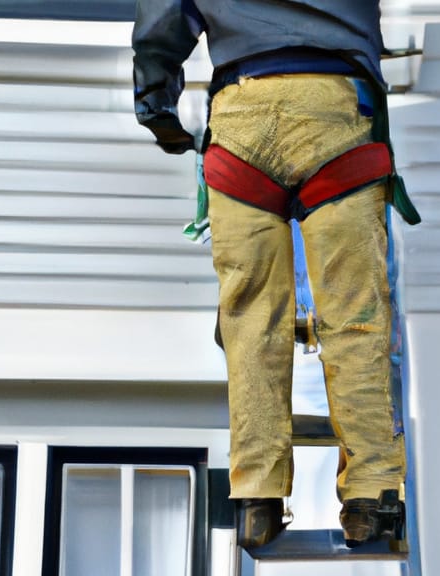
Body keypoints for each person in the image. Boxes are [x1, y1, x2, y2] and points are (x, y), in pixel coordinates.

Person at [133, 0, 416, 549]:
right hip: (336, 108)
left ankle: (257, 499)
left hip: (242, 118)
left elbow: (159, 27)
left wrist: (156, 107)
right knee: (355, 317)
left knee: (251, 322)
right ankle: (371, 497)